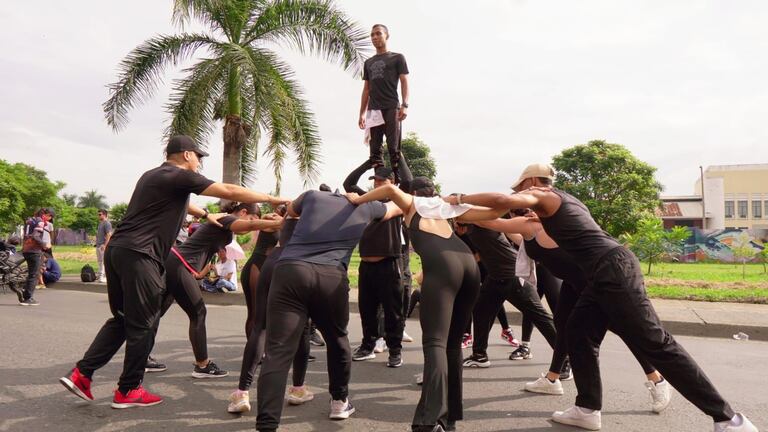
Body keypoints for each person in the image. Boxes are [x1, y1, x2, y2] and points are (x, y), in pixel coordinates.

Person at [447, 163, 758, 432]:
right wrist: (451, 209)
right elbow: (493, 218)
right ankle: (587, 408)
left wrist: (458, 198)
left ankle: (728, 419)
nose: (520, 198)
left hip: (613, 270)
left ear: (531, 184)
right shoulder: (558, 206)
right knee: (578, 333)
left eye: (521, 190)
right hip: (598, 276)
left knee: (655, 341)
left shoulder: (546, 196)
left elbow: (502, 202)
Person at [59, 135, 288, 409]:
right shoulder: (179, 175)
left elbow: (182, 205)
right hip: (141, 255)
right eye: (199, 156)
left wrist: (205, 215)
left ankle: (82, 374)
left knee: (122, 319)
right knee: (144, 323)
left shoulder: (152, 176)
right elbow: (227, 190)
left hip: (119, 251)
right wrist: (274, 198)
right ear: (187, 155)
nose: (200, 162)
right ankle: (129, 389)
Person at [347, 177, 507, 432]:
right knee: (452, 345)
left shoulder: (412, 202)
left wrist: (357, 199)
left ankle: (430, 420)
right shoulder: (448, 207)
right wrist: (461, 198)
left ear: (411, 192)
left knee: (435, 343)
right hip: (469, 266)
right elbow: (500, 207)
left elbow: (388, 189)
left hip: (443, 268)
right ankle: (450, 417)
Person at [475, 210, 670, 413]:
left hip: (595, 280)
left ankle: (657, 379)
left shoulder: (548, 225)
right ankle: (552, 379)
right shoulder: (533, 230)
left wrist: (459, 206)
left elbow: (493, 223)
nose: (527, 213)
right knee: (563, 326)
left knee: (623, 329)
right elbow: (510, 231)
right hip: (573, 281)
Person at [255, 188, 402, 431]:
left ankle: (267, 425)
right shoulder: (367, 207)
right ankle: (339, 402)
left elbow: (290, 211)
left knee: (278, 351)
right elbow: (395, 207)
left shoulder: (311, 196)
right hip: (331, 275)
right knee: (337, 339)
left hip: (291, 270)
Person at [157, 201, 281, 379]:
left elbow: (211, 247)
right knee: (198, 313)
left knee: (156, 312)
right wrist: (281, 223)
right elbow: (250, 226)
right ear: (243, 212)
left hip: (177, 263)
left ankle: (141, 356)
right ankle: (202, 365)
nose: (252, 223)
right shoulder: (227, 219)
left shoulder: (222, 223)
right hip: (179, 264)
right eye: (252, 218)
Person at [228, 216, 314, 414]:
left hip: (273, 261)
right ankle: (298, 389)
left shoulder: (286, 220)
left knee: (261, 326)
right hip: (299, 264)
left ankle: (242, 392)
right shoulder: (312, 219)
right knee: (301, 328)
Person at [458, 222, 558, 371]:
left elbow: (514, 233)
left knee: (540, 316)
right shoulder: (467, 229)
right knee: (480, 310)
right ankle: (479, 355)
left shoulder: (484, 221)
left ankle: (566, 360)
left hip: (513, 274)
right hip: (495, 277)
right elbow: (478, 255)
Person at [344, 163, 413, 367]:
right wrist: (367, 164)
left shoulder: (397, 202)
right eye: (375, 180)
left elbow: (408, 182)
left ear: (393, 183)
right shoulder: (366, 199)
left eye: (382, 180)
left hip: (389, 264)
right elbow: (349, 184)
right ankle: (367, 346)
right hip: (366, 266)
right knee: (367, 309)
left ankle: (395, 350)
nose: (377, 183)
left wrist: (397, 156)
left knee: (393, 311)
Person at [358, 24, 409, 183]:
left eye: (378, 34)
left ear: (387, 35)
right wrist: (362, 113)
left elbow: (404, 81)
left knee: (394, 148)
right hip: (374, 111)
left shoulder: (397, 58)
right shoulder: (368, 63)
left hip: (391, 107)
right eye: (372, 35)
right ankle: (379, 183)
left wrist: (405, 105)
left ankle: (399, 184)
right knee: (375, 150)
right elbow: (366, 89)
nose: (374, 37)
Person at [17, 208, 54, 306]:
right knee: (34, 275)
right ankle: (28, 298)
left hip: (26, 249)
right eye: (50, 217)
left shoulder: (30, 220)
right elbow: (35, 236)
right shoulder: (40, 222)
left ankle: (25, 295)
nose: (50, 219)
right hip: (34, 250)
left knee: (31, 274)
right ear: (46, 215)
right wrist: (44, 244)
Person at [96, 208, 113, 283]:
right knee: (100, 261)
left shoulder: (107, 223)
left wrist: (105, 245)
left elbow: (109, 234)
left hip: (103, 245)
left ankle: (102, 277)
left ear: (105, 215)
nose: (98, 216)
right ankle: (100, 275)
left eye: (100, 214)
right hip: (98, 245)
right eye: (98, 214)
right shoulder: (100, 223)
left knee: (103, 262)